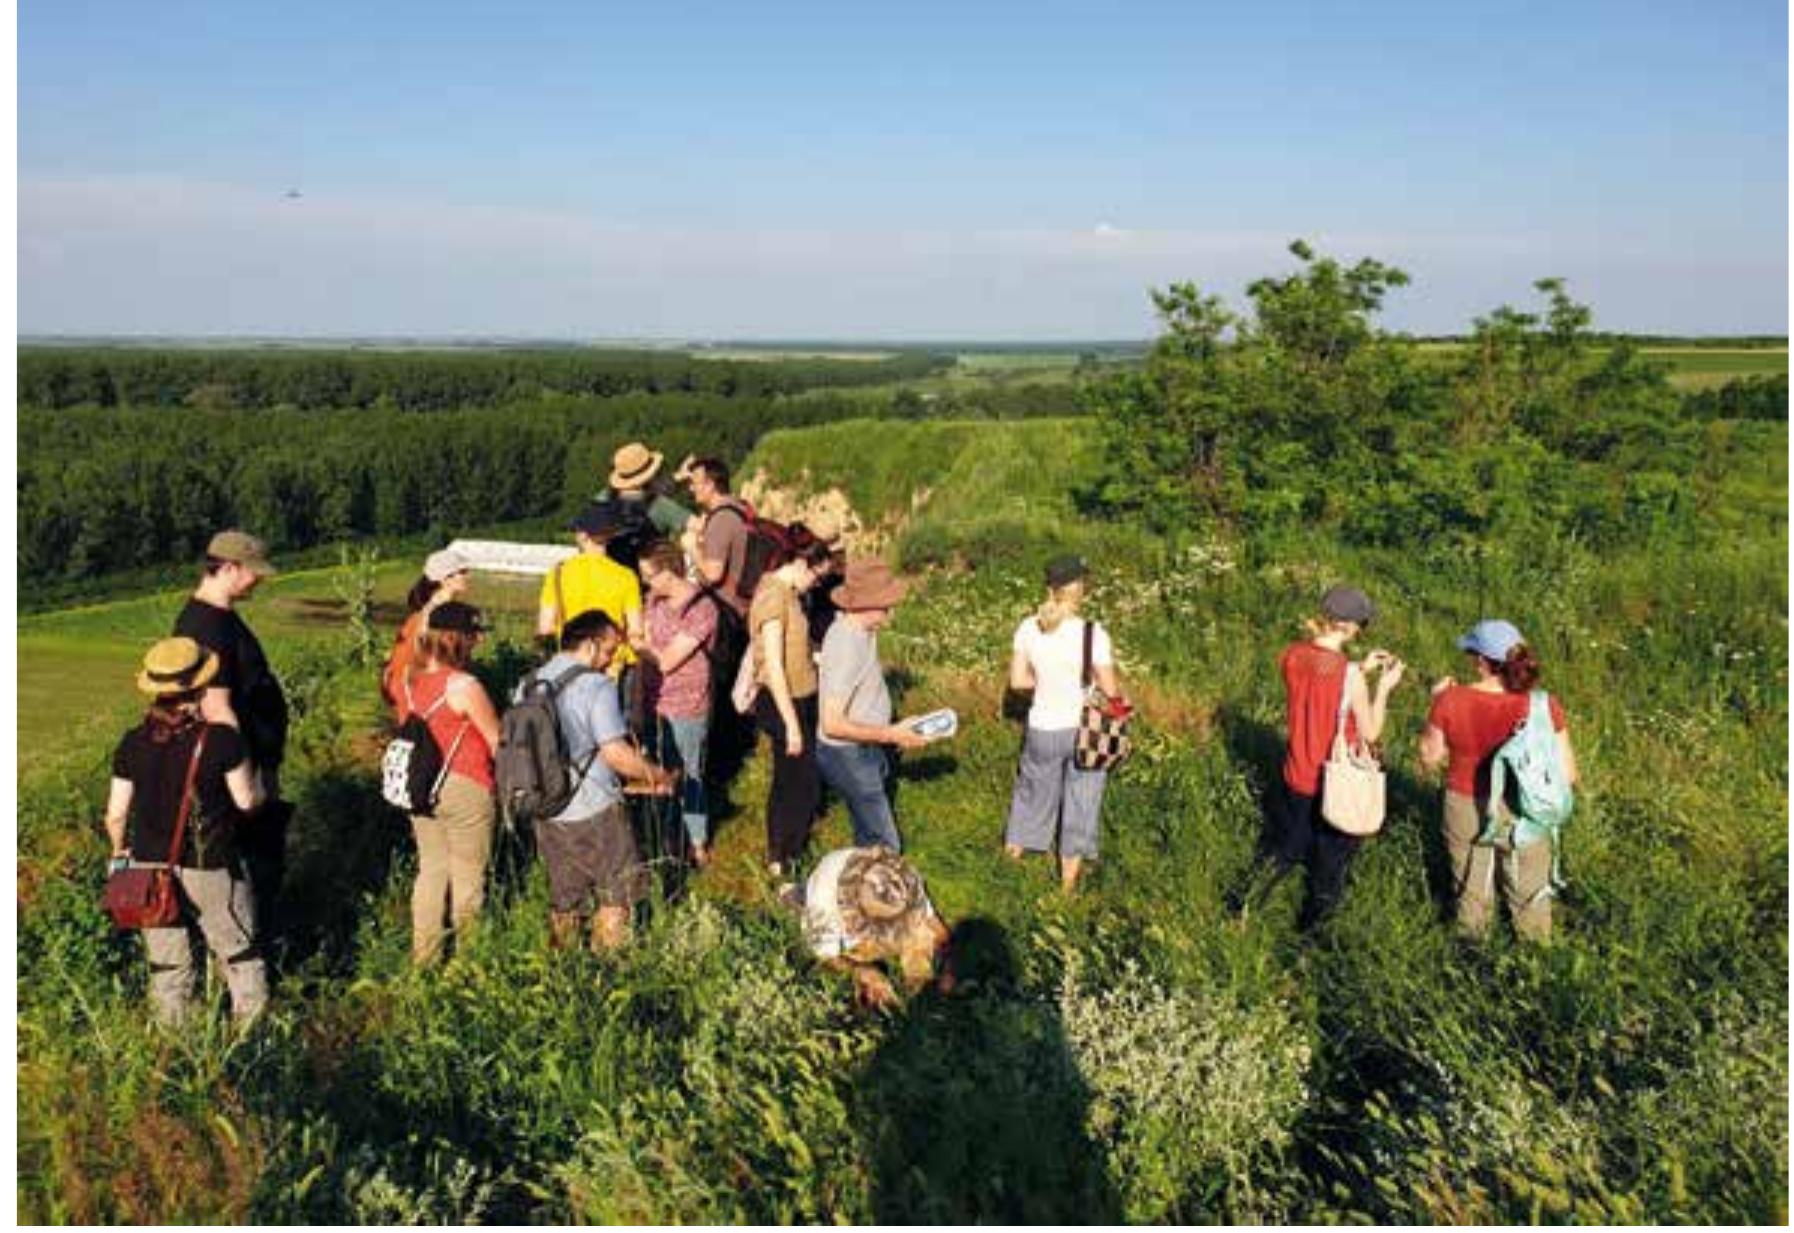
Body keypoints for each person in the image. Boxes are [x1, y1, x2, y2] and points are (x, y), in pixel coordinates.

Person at [105, 638, 268, 1025]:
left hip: (144, 866)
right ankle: (252, 1042)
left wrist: (119, 852)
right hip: (209, 863)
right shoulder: (221, 739)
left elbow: (114, 815)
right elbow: (246, 801)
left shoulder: (131, 743)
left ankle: (177, 1049)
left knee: (168, 966)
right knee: (240, 955)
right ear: (198, 687)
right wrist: (260, 783)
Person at [522, 609, 675, 951]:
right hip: (594, 808)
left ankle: (562, 973)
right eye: (608, 651)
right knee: (616, 896)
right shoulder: (595, 685)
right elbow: (616, 754)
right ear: (590, 645)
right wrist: (657, 775)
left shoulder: (529, 682)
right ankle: (607, 978)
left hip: (546, 808)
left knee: (566, 898)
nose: (610, 662)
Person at [1255, 585, 1404, 931]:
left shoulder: (1292, 655)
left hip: (1296, 772)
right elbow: (1370, 732)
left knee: (1282, 848)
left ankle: (1241, 905)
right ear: (1350, 627)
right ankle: (1310, 932)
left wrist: (1359, 670)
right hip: (1333, 780)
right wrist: (1383, 688)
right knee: (1330, 864)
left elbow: (1320, 687)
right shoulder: (1348, 676)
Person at [1419, 619, 1578, 942]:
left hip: (1466, 804)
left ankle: (1472, 953)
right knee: (1529, 889)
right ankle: (1534, 955)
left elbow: (1430, 757)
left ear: (1480, 661)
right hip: (1525, 808)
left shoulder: (1450, 700)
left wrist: (1435, 700)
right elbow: (1569, 774)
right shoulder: (1543, 704)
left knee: (1471, 889)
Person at [173, 530, 290, 945]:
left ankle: (254, 945)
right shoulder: (208, 625)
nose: (258, 580)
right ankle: (252, 955)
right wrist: (244, 772)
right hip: (236, 772)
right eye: (252, 573)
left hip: (251, 759)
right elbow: (216, 707)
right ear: (226, 568)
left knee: (258, 866)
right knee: (250, 869)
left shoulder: (216, 616)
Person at [1003, 555, 1127, 894]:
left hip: (1042, 725)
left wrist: (1043, 684)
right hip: (1082, 730)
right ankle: (1067, 885)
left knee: (1032, 791)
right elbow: (1110, 688)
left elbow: (1017, 681)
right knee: (1082, 798)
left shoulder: (1028, 627)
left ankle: (1012, 858)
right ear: (1077, 589)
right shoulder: (1092, 632)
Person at [396, 601, 502, 965]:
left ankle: (424, 958)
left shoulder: (408, 684)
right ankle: (468, 962)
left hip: (421, 786)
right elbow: (495, 740)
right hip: (465, 784)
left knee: (431, 870)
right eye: (472, 636)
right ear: (457, 639)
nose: (477, 643)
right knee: (469, 878)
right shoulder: (464, 685)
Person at [816, 559, 931, 851]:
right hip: (847, 755)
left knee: (868, 839)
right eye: (885, 605)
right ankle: (869, 892)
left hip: (863, 748)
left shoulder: (863, 631)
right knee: (886, 845)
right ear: (865, 605)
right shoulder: (846, 644)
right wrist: (893, 734)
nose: (890, 613)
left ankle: (852, 889)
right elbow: (832, 723)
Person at [747, 538, 838, 879]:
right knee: (800, 783)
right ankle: (786, 856)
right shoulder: (773, 596)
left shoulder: (790, 593)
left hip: (800, 695)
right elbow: (772, 664)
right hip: (785, 702)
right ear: (801, 564)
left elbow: (792, 650)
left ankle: (781, 854)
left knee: (791, 780)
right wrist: (793, 726)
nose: (816, 583)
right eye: (817, 576)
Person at [632, 540, 719, 866]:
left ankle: (695, 843)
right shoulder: (654, 600)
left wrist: (639, 645)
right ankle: (662, 838)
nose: (646, 583)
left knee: (689, 774)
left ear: (669, 572)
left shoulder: (701, 609)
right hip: (653, 702)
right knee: (656, 774)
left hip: (686, 704)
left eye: (649, 576)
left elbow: (668, 660)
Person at [800, 845, 949, 1011]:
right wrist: (860, 969)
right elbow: (826, 957)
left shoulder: (895, 877)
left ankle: (920, 991)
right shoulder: (823, 907)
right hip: (852, 942)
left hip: (875, 915)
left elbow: (931, 921)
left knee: (921, 932)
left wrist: (953, 956)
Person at [537, 501, 643, 681]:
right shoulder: (626, 577)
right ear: (609, 536)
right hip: (611, 669)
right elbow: (636, 630)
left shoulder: (558, 573)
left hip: (569, 667)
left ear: (583, 536)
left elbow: (545, 628)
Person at [382, 546, 472, 706]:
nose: (468, 575)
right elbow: (430, 659)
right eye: (462, 571)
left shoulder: (433, 608)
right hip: (424, 692)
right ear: (445, 579)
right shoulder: (438, 614)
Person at [597, 440, 695, 542]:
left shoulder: (603, 499)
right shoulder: (659, 506)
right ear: (650, 476)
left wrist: (679, 476)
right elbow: (698, 526)